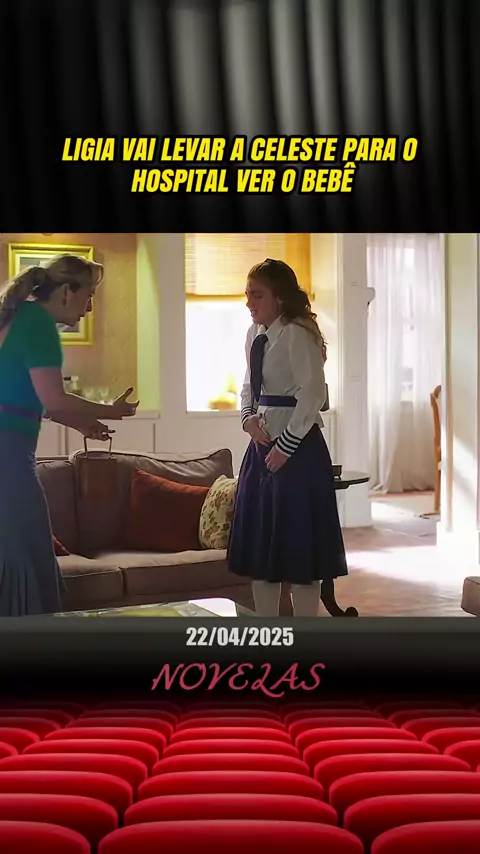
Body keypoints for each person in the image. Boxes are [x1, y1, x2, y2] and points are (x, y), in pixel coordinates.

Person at [0, 254, 139, 616]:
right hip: (9, 457)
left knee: (19, 548)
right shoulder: (39, 325)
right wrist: (111, 409)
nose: (89, 308)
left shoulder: (21, 316)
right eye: (88, 296)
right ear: (65, 292)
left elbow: (27, 400)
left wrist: (80, 424)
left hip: (10, 449)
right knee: (26, 550)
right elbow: (54, 398)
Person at [227, 258, 357, 618]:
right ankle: (267, 631)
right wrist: (248, 420)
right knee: (261, 554)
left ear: (279, 297)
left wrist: (285, 447)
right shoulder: (254, 334)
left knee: (301, 552)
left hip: (298, 452)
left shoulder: (299, 334)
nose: (249, 302)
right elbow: (248, 385)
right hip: (260, 449)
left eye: (257, 295)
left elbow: (312, 395)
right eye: (247, 295)